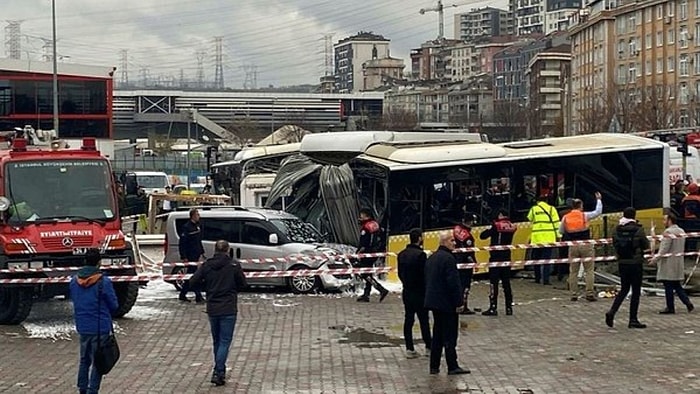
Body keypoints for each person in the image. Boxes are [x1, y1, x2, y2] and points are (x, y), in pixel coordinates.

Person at [190, 240, 247, 386]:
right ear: (227, 250)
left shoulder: (207, 265)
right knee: (225, 341)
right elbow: (243, 284)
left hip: (213, 308)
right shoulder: (233, 265)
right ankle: (218, 370)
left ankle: (219, 371)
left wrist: (206, 288)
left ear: (215, 250)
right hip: (228, 307)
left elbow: (193, 281)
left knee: (217, 340)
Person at [70, 249, 119, 394]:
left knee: (84, 360)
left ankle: (82, 388)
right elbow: (114, 305)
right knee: (98, 362)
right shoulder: (103, 282)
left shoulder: (74, 281)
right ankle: (93, 390)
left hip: (83, 326)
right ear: (99, 262)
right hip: (100, 328)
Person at [424, 232, 470, 376]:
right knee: (450, 335)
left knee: (437, 334)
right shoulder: (449, 259)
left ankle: (434, 365)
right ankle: (452, 365)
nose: (455, 243)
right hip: (447, 304)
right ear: (444, 242)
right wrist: (459, 302)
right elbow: (453, 283)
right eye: (452, 240)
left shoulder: (432, 258)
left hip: (434, 302)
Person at [606, 207, 650, 329]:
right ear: (634, 216)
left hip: (622, 263)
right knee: (635, 291)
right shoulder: (638, 230)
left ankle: (612, 312)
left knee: (624, 289)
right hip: (635, 263)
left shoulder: (616, 230)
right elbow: (645, 245)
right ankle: (633, 319)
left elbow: (615, 244)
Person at [560, 192, 603, 302]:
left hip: (573, 246)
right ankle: (589, 293)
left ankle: (573, 294)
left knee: (573, 271)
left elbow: (561, 231)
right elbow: (598, 212)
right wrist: (598, 200)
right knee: (589, 270)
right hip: (585, 245)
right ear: (581, 206)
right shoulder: (584, 215)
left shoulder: (565, 217)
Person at [650, 213, 695, 314]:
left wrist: (654, 259)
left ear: (669, 220)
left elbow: (664, 249)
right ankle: (687, 303)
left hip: (668, 263)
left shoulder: (668, 231)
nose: (663, 222)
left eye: (664, 220)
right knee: (677, 285)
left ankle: (670, 307)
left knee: (668, 286)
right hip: (678, 262)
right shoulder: (681, 231)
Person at [397, 228, 431, 358]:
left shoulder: (402, 254)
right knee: (424, 320)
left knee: (408, 319)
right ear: (419, 239)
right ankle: (428, 346)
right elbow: (424, 274)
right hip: (420, 292)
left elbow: (400, 273)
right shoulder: (421, 255)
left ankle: (409, 348)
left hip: (407, 291)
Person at [480, 209, 517, 316]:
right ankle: (509, 307)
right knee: (506, 283)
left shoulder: (496, 225)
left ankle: (493, 307)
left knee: (494, 283)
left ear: (500, 214)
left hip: (495, 257)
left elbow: (483, 236)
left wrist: (490, 227)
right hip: (506, 257)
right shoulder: (511, 226)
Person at [355, 208, 389, 303]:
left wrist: (358, 253)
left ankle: (381, 289)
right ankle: (366, 294)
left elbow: (364, 243)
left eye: (362, 216)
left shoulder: (366, 228)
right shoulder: (375, 224)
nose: (360, 218)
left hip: (367, 253)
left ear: (367, 216)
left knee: (364, 273)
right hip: (375, 252)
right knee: (368, 272)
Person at [527, 195, 560, 285]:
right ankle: (546, 280)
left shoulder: (534, 209)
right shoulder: (552, 209)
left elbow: (530, 218)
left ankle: (537, 278)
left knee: (536, 259)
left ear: (538, 201)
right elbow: (556, 224)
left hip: (537, 238)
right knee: (547, 260)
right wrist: (558, 236)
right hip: (549, 237)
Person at [178, 208, 205, 303]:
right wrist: (184, 256)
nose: (199, 216)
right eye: (197, 214)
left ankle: (183, 294)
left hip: (196, 254)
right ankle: (198, 296)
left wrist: (202, 252)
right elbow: (182, 243)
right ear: (193, 216)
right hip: (190, 255)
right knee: (194, 276)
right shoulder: (187, 227)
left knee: (191, 275)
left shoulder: (198, 226)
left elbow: (198, 241)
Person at [453, 213, 477, 314]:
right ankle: (464, 306)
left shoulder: (456, 229)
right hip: (465, 265)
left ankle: (458, 305)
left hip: (456, 261)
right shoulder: (468, 236)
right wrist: (474, 263)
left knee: (458, 285)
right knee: (465, 286)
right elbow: (469, 252)